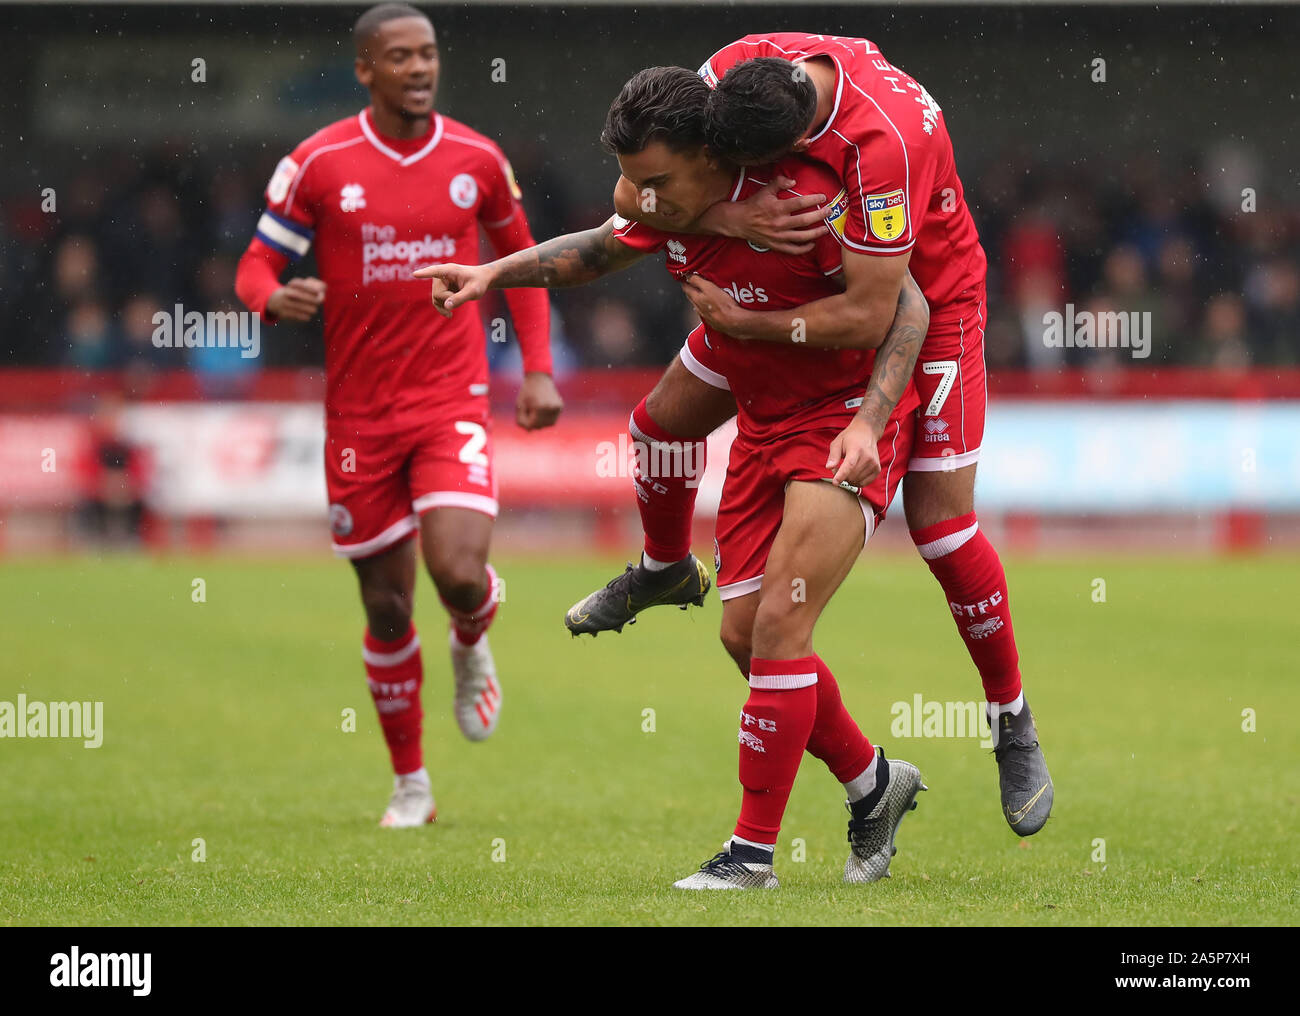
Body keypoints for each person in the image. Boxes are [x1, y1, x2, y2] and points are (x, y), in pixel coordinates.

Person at [417, 67, 929, 888]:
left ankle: (751, 858)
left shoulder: (808, 198)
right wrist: (491, 275)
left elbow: (908, 307)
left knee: (777, 632)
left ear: (709, 155)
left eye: (653, 179)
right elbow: (596, 248)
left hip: (839, 423)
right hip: (760, 413)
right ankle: (874, 783)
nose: (634, 195)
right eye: (629, 178)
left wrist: (870, 419)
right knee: (735, 627)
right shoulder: (675, 199)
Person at [588, 34, 1052, 836]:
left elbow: (887, 310)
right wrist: (729, 211)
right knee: (661, 428)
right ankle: (666, 569)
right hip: (797, 294)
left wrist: (756, 323)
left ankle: (1012, 718)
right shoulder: (739, 67)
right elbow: (637, 194)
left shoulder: (885, 146)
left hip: (924, 312)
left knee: (940, 529)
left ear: (797, 148)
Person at [234, 3, 563, 828]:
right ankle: (412, 785)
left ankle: (471, 632)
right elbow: (254, 264)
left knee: (455, 572)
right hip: (357, 420)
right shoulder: (317, 164)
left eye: (429, 55)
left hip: (449, 401)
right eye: (402, 57)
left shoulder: (478, 160)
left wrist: (538, 372)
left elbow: (521, 264)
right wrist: (274, 299)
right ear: (366, 69)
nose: (421, 68)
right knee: (384, 606)